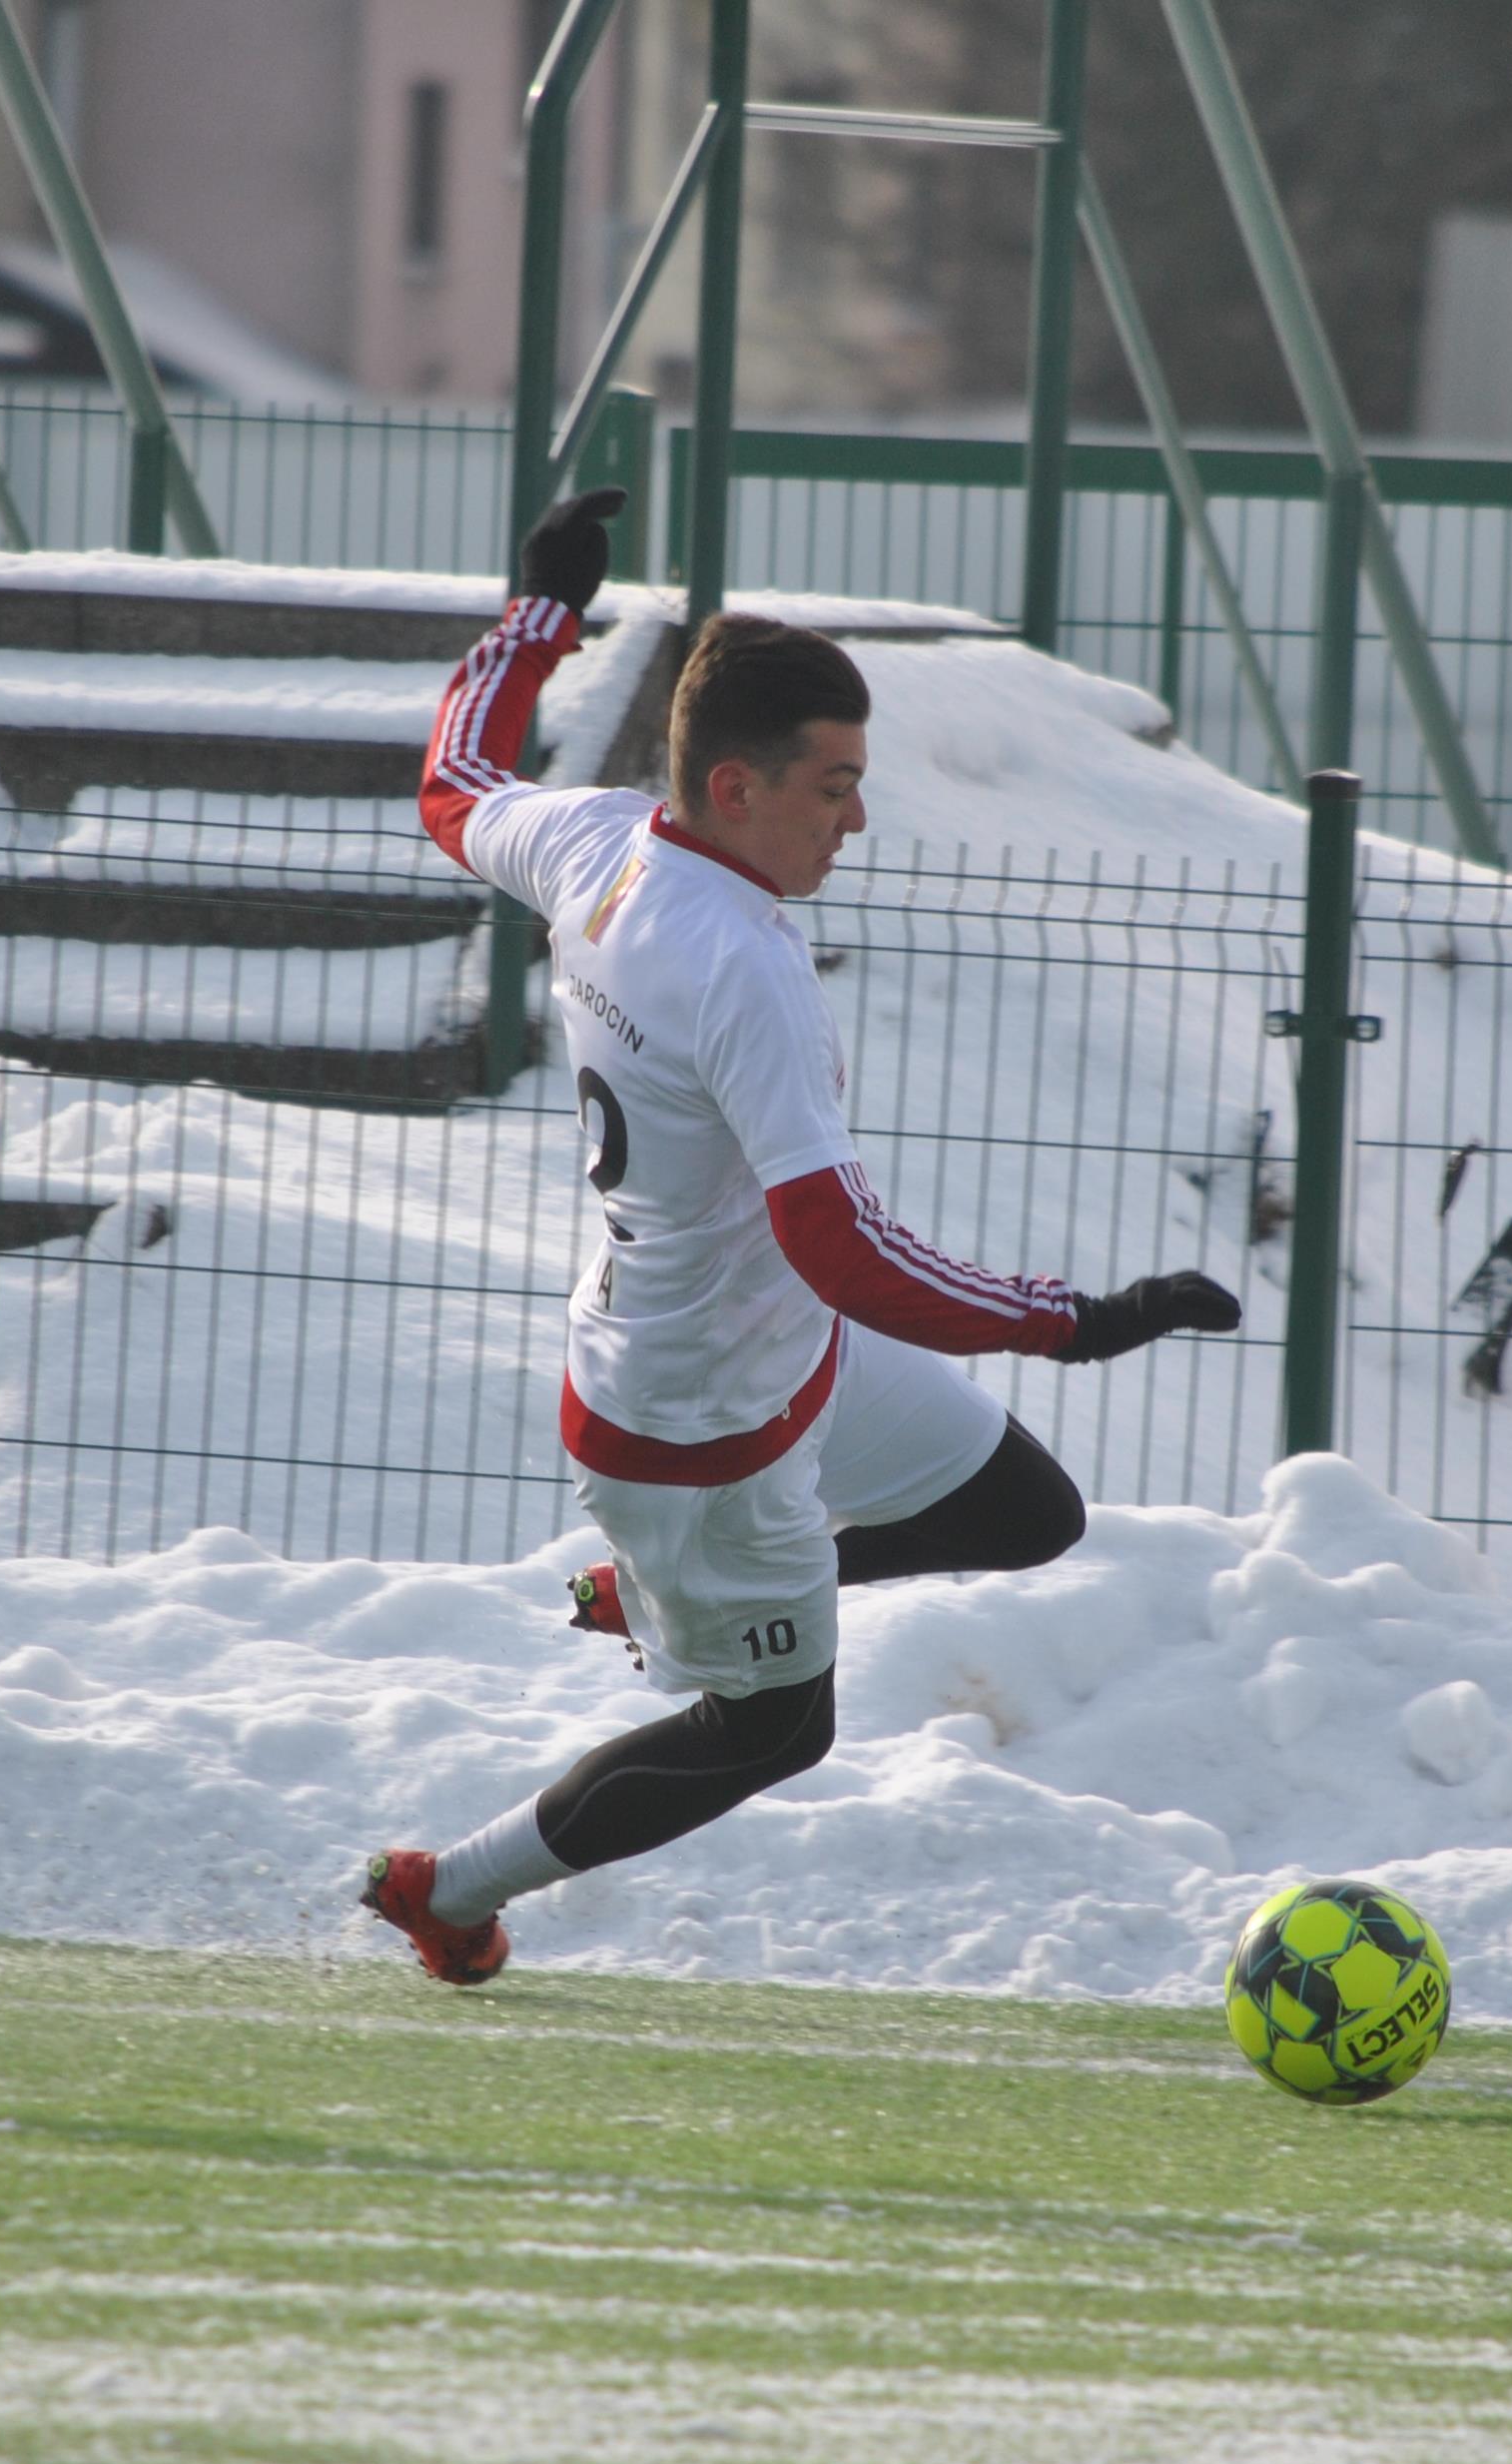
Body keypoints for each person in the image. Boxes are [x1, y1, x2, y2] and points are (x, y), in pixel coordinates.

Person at [358, 491, 1244, 1984]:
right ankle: (447, 1889)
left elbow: (453, 783)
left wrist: (537, 616)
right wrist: (1078, 1317)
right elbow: (842, 1245)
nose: (857, 814)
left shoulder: (595, 840)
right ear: (736, 784)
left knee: (1029, 1513)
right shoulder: (733, 965)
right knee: (773, 1728)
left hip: (775, 1350)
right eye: (832, 784)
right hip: (702, 1418)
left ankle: (653, 1597)